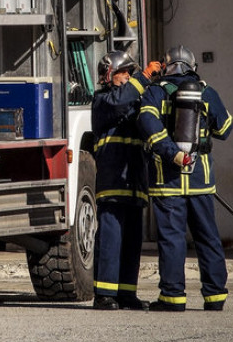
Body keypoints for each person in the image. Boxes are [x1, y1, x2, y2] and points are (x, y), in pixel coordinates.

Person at [137, 45, 233, 312]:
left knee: (172, 239)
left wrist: (172, 153)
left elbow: (148, 126)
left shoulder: (155, 92)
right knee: (208, 237)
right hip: (200, 179)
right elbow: (225, 128)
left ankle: (173, 297)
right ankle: (215, 297)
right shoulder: (206, 91)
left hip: (167, 180)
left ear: (166, 66)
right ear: (193, 66)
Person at [91, 51, 161, 310]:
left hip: (134, 181)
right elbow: (121, 100)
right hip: (112, 182)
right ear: (113, 75)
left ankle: (126, 293)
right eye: (126, 74)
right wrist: (143, 77)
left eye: (132, 74)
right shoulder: (103, 101)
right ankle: (105, 295)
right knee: (111, 238)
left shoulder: (134, 100)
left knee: (132, 241)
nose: (129, 78)